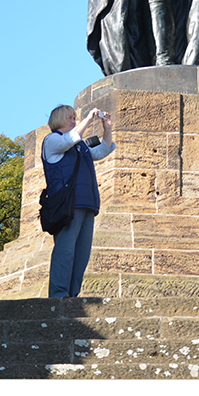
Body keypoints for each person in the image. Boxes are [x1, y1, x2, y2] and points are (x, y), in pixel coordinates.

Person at [42, 104, 115, 298]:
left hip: (87, 203)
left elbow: (101, 152)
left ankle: (71, 296)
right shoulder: (52, 140)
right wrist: (88, 119)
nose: (73, 121)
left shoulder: (78, 144)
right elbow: (70, 139)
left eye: (75, 118)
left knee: (81, 255)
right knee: (65, 252)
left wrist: (107, 128)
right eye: (70, 118)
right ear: (58, 120)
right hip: (68, 205)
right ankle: (58, 295)